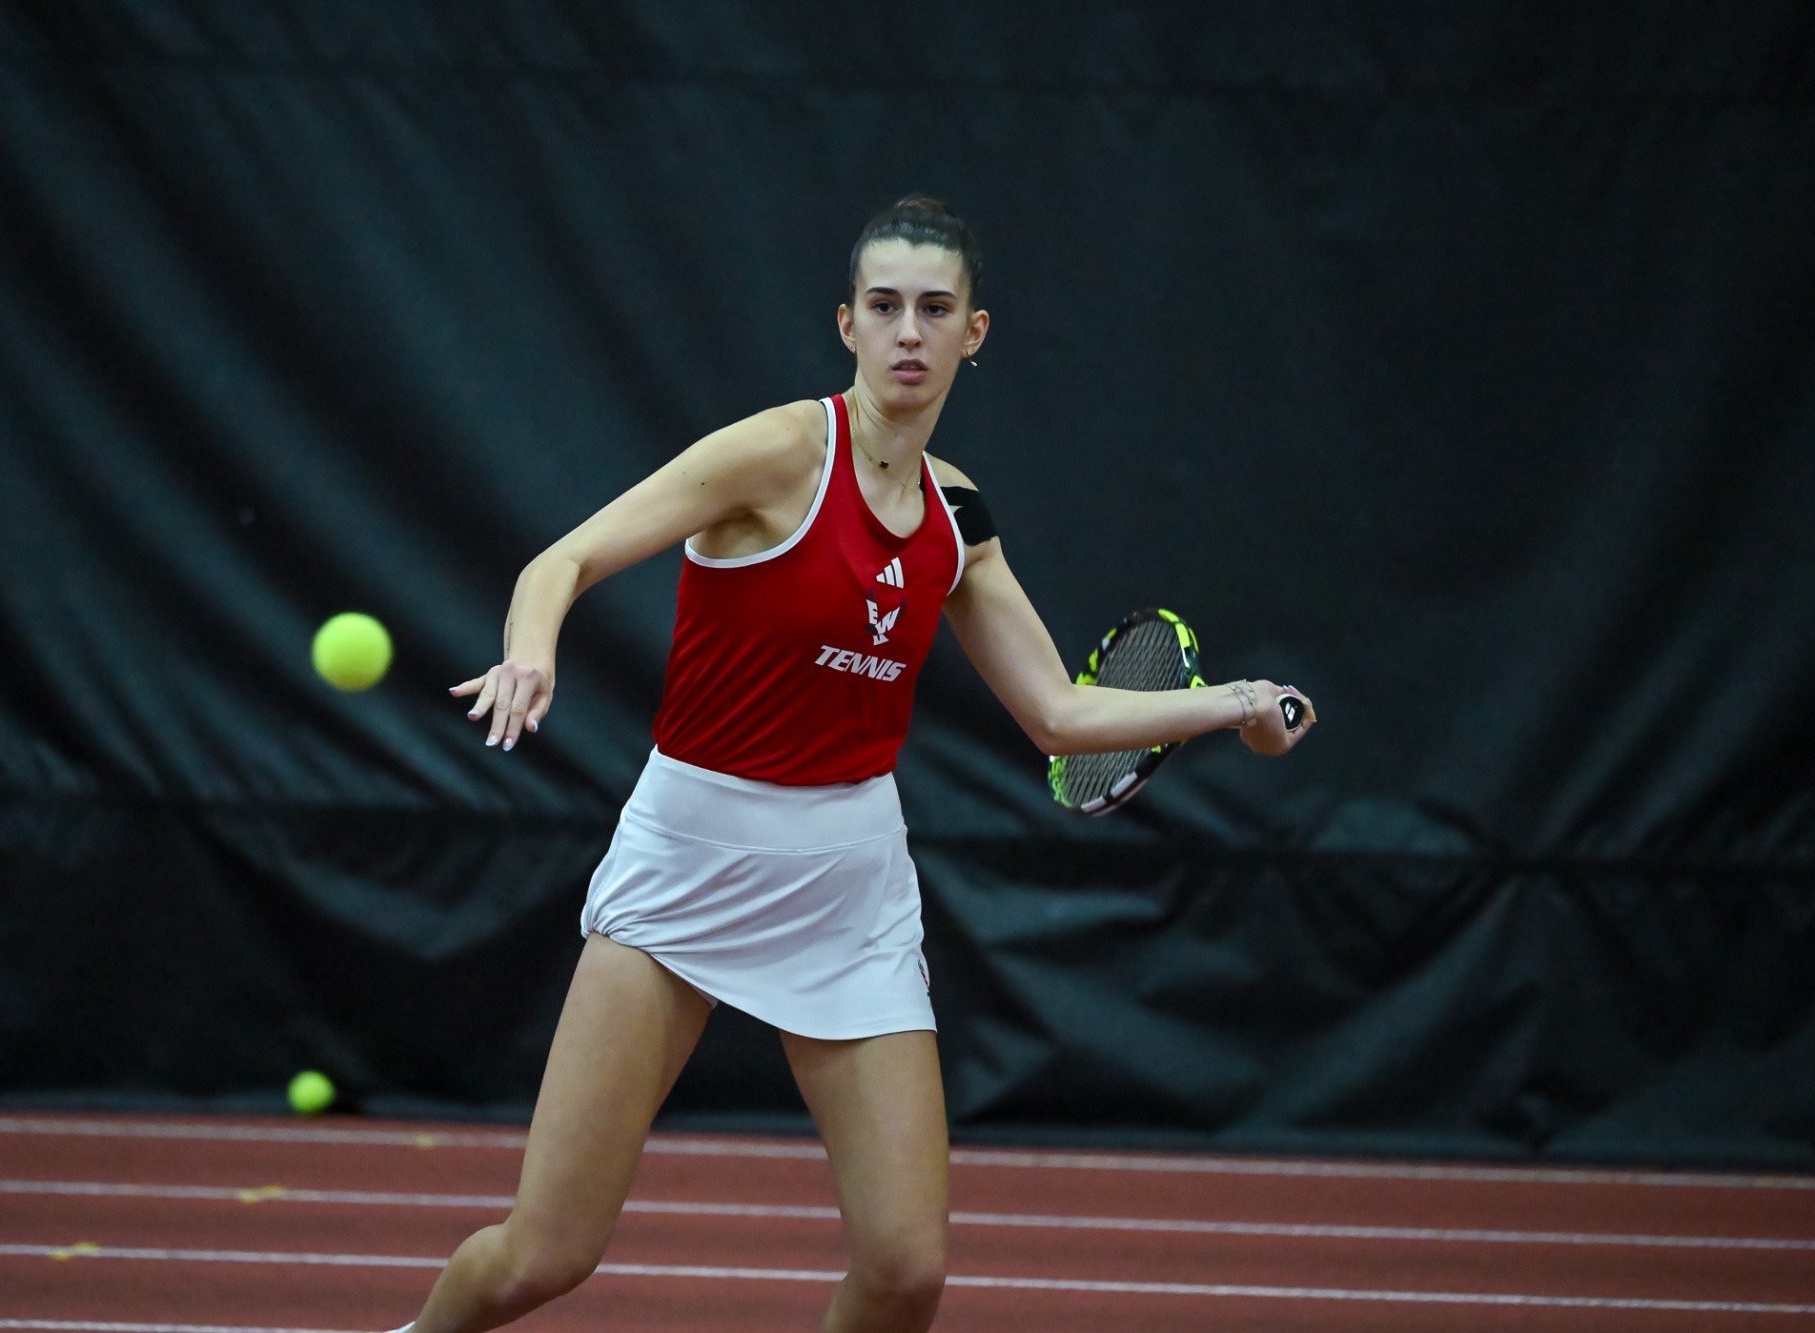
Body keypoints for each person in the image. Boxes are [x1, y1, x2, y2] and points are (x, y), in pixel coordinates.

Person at [410, 196, 1315, 1333]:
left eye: (935, 310)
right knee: (542, 1256)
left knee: (904, 1271)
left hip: (850, 881)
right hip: (689, 855)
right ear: (846, 322)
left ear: (971, 334)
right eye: (883, 306)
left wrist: (1236, 703)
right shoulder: (779, 451)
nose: (907, 332)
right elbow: (567, 556)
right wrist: (527, 654)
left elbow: (1057, 711)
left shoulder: (957, 518)